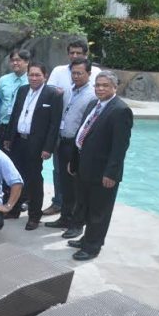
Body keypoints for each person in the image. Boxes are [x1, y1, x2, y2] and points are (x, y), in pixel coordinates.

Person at [67, 71, 133, 261]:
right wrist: (74, 160)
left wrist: (111, 173)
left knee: (99, 212)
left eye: (105, 85)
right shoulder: (93, 105)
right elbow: (82, 134)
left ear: (114, 87)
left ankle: (92, 247)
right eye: (97, 85)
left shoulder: (120, 110)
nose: (100, 88)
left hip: (103, 172)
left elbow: (120, 147)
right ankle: (87, 239)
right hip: (84, 167)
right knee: (86, 206)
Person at [45, 39, 102, 217]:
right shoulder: (68, 86)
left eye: (79, 53)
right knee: (61, 174)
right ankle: (62, 209)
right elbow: (51, 93)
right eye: (72, 53)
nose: (76, 75)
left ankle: (76, 219)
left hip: (79, 142)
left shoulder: (92, 93)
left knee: (76, 179)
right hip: (62, 137)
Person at [2, 62, 62, 228]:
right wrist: (9, 137)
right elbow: (15, 114)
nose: (34, 78)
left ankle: (34, 215)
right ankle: (13, 209)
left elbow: (54, 124)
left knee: (34, 179)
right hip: (18, 141)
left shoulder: (53, 94)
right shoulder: (22, 90)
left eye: (38, 75)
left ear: (45, 76)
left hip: (36, 144)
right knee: (15, 177)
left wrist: (48, 148)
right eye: (31, 75)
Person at [0, 49, 30, 135]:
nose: (15, 63)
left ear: (27, 62)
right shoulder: (3, 79)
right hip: (4, 124)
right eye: (12, 60)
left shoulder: (32, 80)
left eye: (18, 60)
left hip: (21, 126)